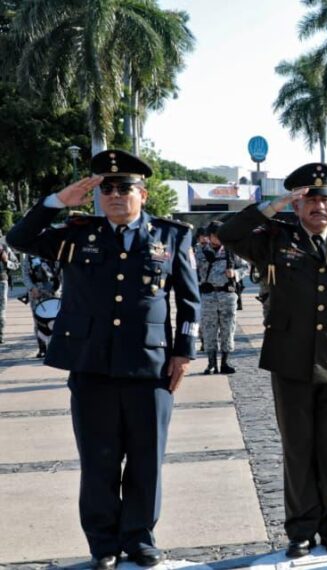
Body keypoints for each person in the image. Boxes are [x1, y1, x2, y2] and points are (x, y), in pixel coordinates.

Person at [6, 150, 199, 569]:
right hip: (91, 364)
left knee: (147, 460)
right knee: (99, 460)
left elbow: (189, 302)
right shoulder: (77, 234)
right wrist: (57, 200)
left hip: (151, 367)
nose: (114, 195)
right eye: (106, 188)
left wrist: (183, 353)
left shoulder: (172, 237)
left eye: (124, 188)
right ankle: (103, 544)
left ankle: (140, 538)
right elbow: (17, 239)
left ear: (142, 194)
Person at [219, 162, 327, 558]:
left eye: (324, 199)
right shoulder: (274, 239)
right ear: (297, 204)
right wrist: (276, 204)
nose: (317, 206)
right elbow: (228, 233)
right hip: (289, 359)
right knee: (298, 447)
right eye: (309, 199)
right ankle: (301, 529)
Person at [195, 221, 248, 374]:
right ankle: (211, 363)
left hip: (227, 294)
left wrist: (236, 274)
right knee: (209, 329)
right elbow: (191, 269)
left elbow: (245, 267)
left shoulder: (232, 250)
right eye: (216, 235)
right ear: (210, 236)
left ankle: (225, 362)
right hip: (208, 294)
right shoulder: (199, 251)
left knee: (228, 329)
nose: (219, 238)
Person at [22, 253, 61, 358]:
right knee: (38, 321)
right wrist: (32, 288)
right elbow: (25, 274)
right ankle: (42, 348)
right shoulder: (30, 254)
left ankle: (55, 347)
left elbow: (61, 271)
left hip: (53, 290)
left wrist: (59, 288)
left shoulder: (53, 251)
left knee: (55, 320)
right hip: (36, 291)